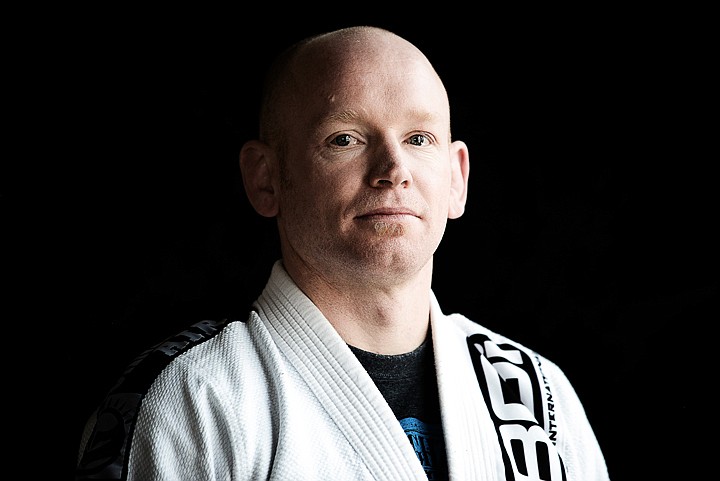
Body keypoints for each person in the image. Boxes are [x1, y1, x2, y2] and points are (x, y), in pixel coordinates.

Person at [75, 25, 609, 480]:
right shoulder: (192, 399)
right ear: (265, 178)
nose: (393, 168)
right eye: (345, 138)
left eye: (419, 138)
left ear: (456, 178)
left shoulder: (540, 398)